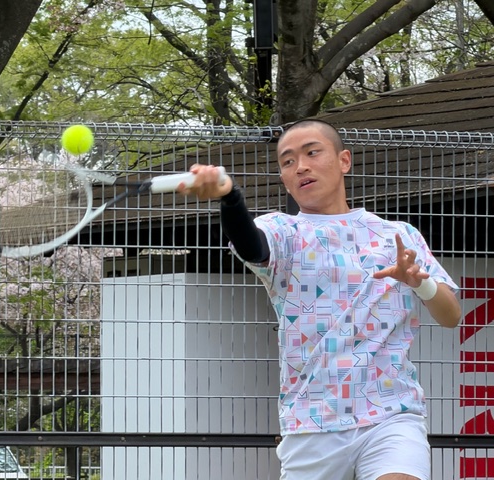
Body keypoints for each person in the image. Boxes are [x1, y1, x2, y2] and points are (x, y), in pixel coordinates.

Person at [179, 119, 462, 480]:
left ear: (344, 161)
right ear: (283, 178)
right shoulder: (282, 231)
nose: (301, 166)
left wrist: (420, 283)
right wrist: (230, 198)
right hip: (311, 423)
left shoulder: (398, 235)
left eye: (312, 152)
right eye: (288, 161)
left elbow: (451, 316)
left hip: (392, 415)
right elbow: (252, 246)